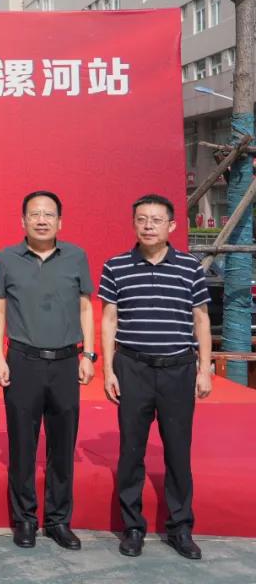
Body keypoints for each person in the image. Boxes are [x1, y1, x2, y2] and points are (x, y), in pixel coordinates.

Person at [100, 193, 213, 560]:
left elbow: (201, 320)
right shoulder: (116, 266)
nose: (148, 226)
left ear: (172, 225)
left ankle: (180, 528)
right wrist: (108, 370)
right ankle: (132, 527)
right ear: (134, 223)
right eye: (142, 219)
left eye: (156, 220)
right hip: (132, 368)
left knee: (178, 452)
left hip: (179, 369)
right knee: (131, 451)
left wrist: (204, 370)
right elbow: (109, 319)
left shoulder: (190, 267)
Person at [0, 191, 95, 550]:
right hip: (23, 361)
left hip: (66, 361)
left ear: (60, 222)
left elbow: (85, 307)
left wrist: (88, 354)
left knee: (62, 446)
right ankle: (25, 520)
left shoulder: (76, 257)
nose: (42, 220)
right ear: (23, 221)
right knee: (22, 445)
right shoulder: (6, 259)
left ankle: (59, 520)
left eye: (49, 214)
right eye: (34, 214)